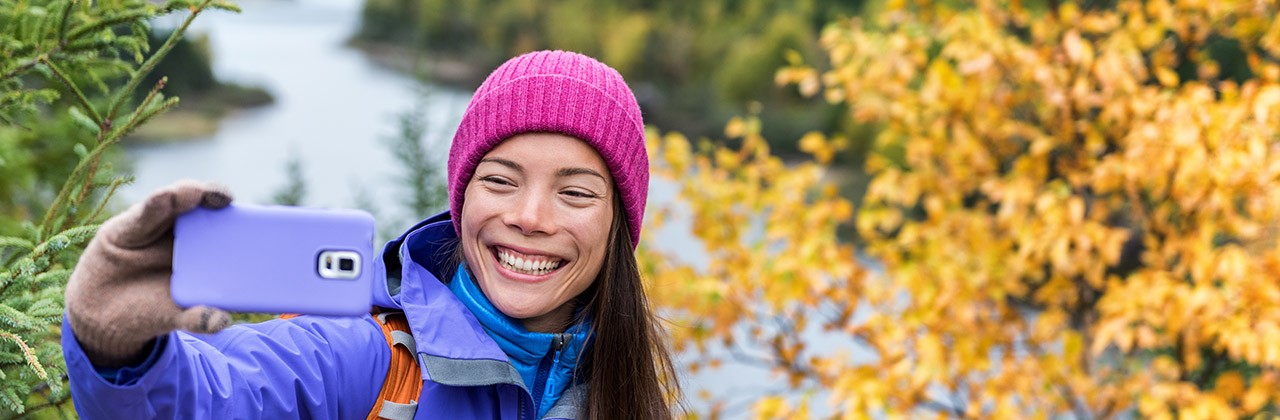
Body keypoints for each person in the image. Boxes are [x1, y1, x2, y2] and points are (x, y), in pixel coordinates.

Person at [62, 50, 682, 419]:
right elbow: (216, 396)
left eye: (574, 192)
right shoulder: (369, 359)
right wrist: (115, 349)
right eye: (500, 180)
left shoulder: (623, 385)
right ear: (461, 197)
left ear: (617, 226)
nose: (532, 216)